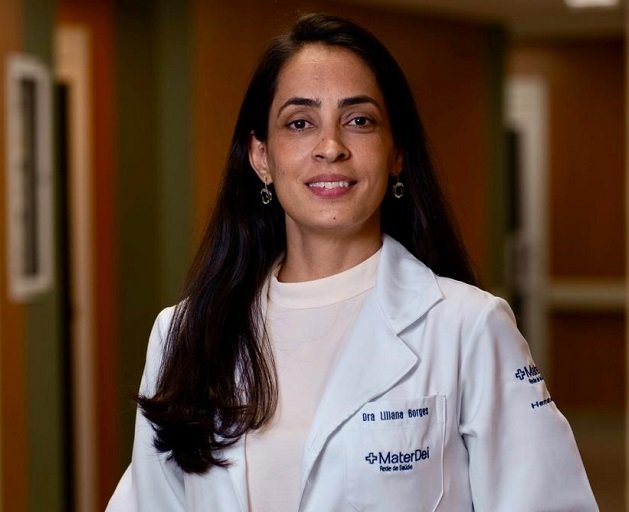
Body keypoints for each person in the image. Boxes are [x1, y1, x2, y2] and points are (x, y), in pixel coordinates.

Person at [108, 13, 598, 512]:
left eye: (359, 121)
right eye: (300, 123)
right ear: (261, 156)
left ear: (396, 152)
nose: (331, 147)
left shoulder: (469, 328)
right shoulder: (184, 334)